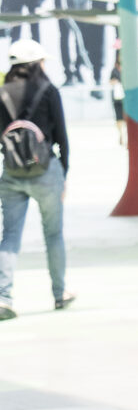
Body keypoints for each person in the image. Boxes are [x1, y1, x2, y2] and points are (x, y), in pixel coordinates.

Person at [0, 38, 73, 321]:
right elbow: (62, 137)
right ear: (37, 62)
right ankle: (59, 293)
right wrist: (63, 173)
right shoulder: (48, 89)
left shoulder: (2, 92)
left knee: (10, 236)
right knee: (53, 234)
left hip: (12, 173)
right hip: (46, 171)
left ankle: (4, 296)